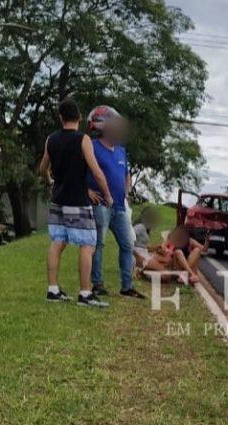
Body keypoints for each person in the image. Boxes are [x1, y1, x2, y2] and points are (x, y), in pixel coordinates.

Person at [38, 98, 114, 308]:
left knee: (57, 243)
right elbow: (97, 172)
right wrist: (107, 195)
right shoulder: (83, 140)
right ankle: (85, 293)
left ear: (61, 118)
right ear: (79, 118)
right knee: (88, 245)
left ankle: (53, 290)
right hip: (78, 201)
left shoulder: (51, 139)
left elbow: (43, 168)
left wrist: (50, 182)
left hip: (58, 200)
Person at [86, 105, 145, 299]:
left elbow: (126, 175)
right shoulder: (92, 146)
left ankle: (127, 286)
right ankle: (97, 284)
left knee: (127, 245)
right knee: (99, 244)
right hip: (101, 205)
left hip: (120, 207)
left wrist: (126, 193)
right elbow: (78, 172)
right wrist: (87, 190)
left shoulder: (121, 151)